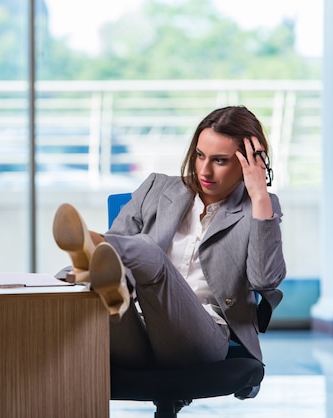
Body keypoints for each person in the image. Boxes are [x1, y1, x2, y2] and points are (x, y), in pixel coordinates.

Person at [53, 105, 285, 373]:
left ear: (250, 162)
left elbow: (265, 279)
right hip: (135, 328)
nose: (205, 171)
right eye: (200, 156)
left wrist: (259, 196)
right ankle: (92, 259)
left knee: (150, 253)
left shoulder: (258, 207)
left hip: (204, 335)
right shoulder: (156, 188)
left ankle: (92, 244)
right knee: (108, 281)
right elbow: (115, 259)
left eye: (220, 160)